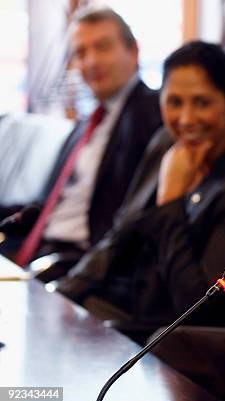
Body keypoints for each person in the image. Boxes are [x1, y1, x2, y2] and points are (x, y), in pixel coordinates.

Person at [55, 41, 225, 334]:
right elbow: (120, 232)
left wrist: (171, 202)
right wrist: (63, 293)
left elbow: (198, 307)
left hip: (173, 338)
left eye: (202, 103)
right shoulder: (166, 142)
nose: (186, 119)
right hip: (121, 305)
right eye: (175, 102)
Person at [0, 7, 162, 273]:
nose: (91, 62)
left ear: (134, 51)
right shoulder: (87, 124)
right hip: (39, 248)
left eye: (103, 47)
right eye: (81, 52)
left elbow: (133, 217)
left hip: (83, 262)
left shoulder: (152, 114)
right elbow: (49, 202)